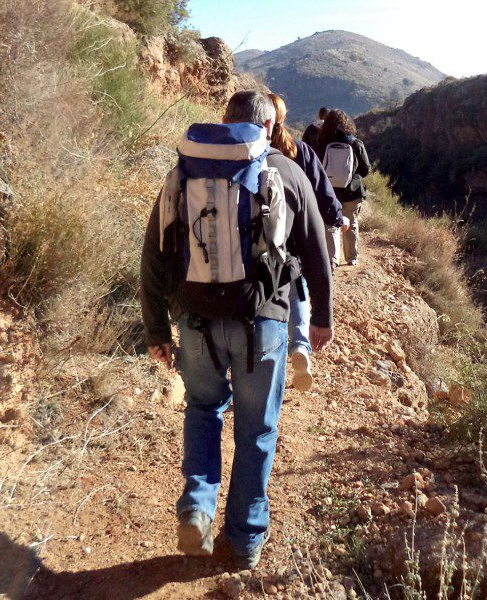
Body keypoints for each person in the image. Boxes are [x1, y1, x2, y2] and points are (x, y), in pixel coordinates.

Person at [140, 91, 333, 570]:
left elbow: (154, 255)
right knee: (257, 430)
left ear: (225, 123)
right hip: (262, 324)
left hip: (196, 322)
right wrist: (322, 319)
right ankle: (244, 540)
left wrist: (156, 330)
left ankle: (197, 507)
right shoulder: (286, 172)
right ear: (268, 128)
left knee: (204, 411)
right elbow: (316, 254)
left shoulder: (182, 173)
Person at [268, 94, 348, 392]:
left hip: (260, 243)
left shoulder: (250, 154)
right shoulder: (299, 151)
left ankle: (268, 355)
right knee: (297, 290)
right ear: (284, 119)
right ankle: (300, 346)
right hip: (297, 240)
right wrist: (338, 219)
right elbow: (324, 194)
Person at [313, 109, 370, 266]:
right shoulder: (355, 143)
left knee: (331, 224)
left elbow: (316, 168)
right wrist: (351, 178)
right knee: (351, 223)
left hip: (329, 192)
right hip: (352, 192)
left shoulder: (322, 143)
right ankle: (351, 258)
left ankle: (332, 260)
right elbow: (365, 169)